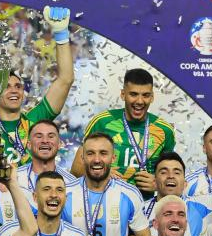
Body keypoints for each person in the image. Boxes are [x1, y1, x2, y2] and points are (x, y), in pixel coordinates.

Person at [73, 68, 175, 198]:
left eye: (145, 95)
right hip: (104, 203)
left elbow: (172, 176)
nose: (139, 101)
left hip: (146, 207)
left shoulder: (165, 130)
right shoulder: (102, 122)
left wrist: (159, 184)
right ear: (123, 95)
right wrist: (100, 174)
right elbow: (76, 170)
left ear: (152, 97)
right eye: (133, 94)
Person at [0, 6, 74, 164]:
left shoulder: (35, 120)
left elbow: (66, 79)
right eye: (6, 87)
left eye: (18, 87)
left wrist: (61, 34)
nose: (14, 90)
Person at [64, 133, 146, 236]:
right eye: (90, 153)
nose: (97, 160)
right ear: (82, 158)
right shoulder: (65, 194)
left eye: (103, 153)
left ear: (113, 158)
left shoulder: (130, 194)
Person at [142, 145, 212, 236]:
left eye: (177, 172)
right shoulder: (141, 209)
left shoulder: (201, 205)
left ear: (185, 184)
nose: (170, 176)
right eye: (163, 172)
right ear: (154, 182)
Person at [14, 119, 79, 210]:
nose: (45, 141)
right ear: (29, 145)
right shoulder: (14, 180)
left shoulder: (72, 183)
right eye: (39, 136)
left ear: (59, 144)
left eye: (51, 136)